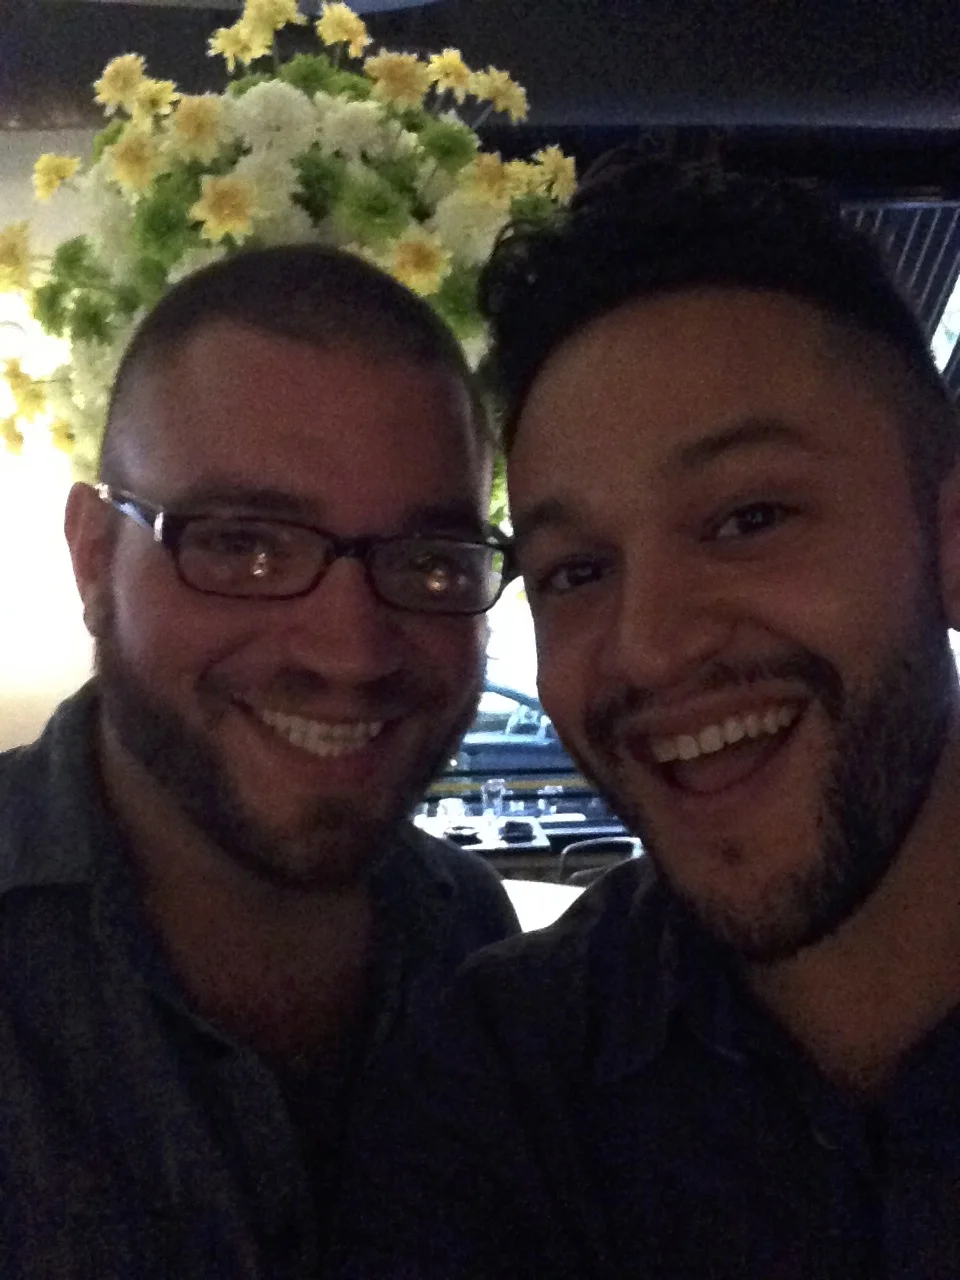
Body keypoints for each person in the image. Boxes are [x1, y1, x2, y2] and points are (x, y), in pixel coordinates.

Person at [329, 160, 960, 1277]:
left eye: (748, 517)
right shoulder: (498, 1087)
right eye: (576, 571)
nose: (651, 648)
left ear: (947, 539)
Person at [0, 244, 520, 1278]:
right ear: (95, 559)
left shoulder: (473, 942)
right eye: (244, 545)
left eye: (428, 561)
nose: (350, 653)